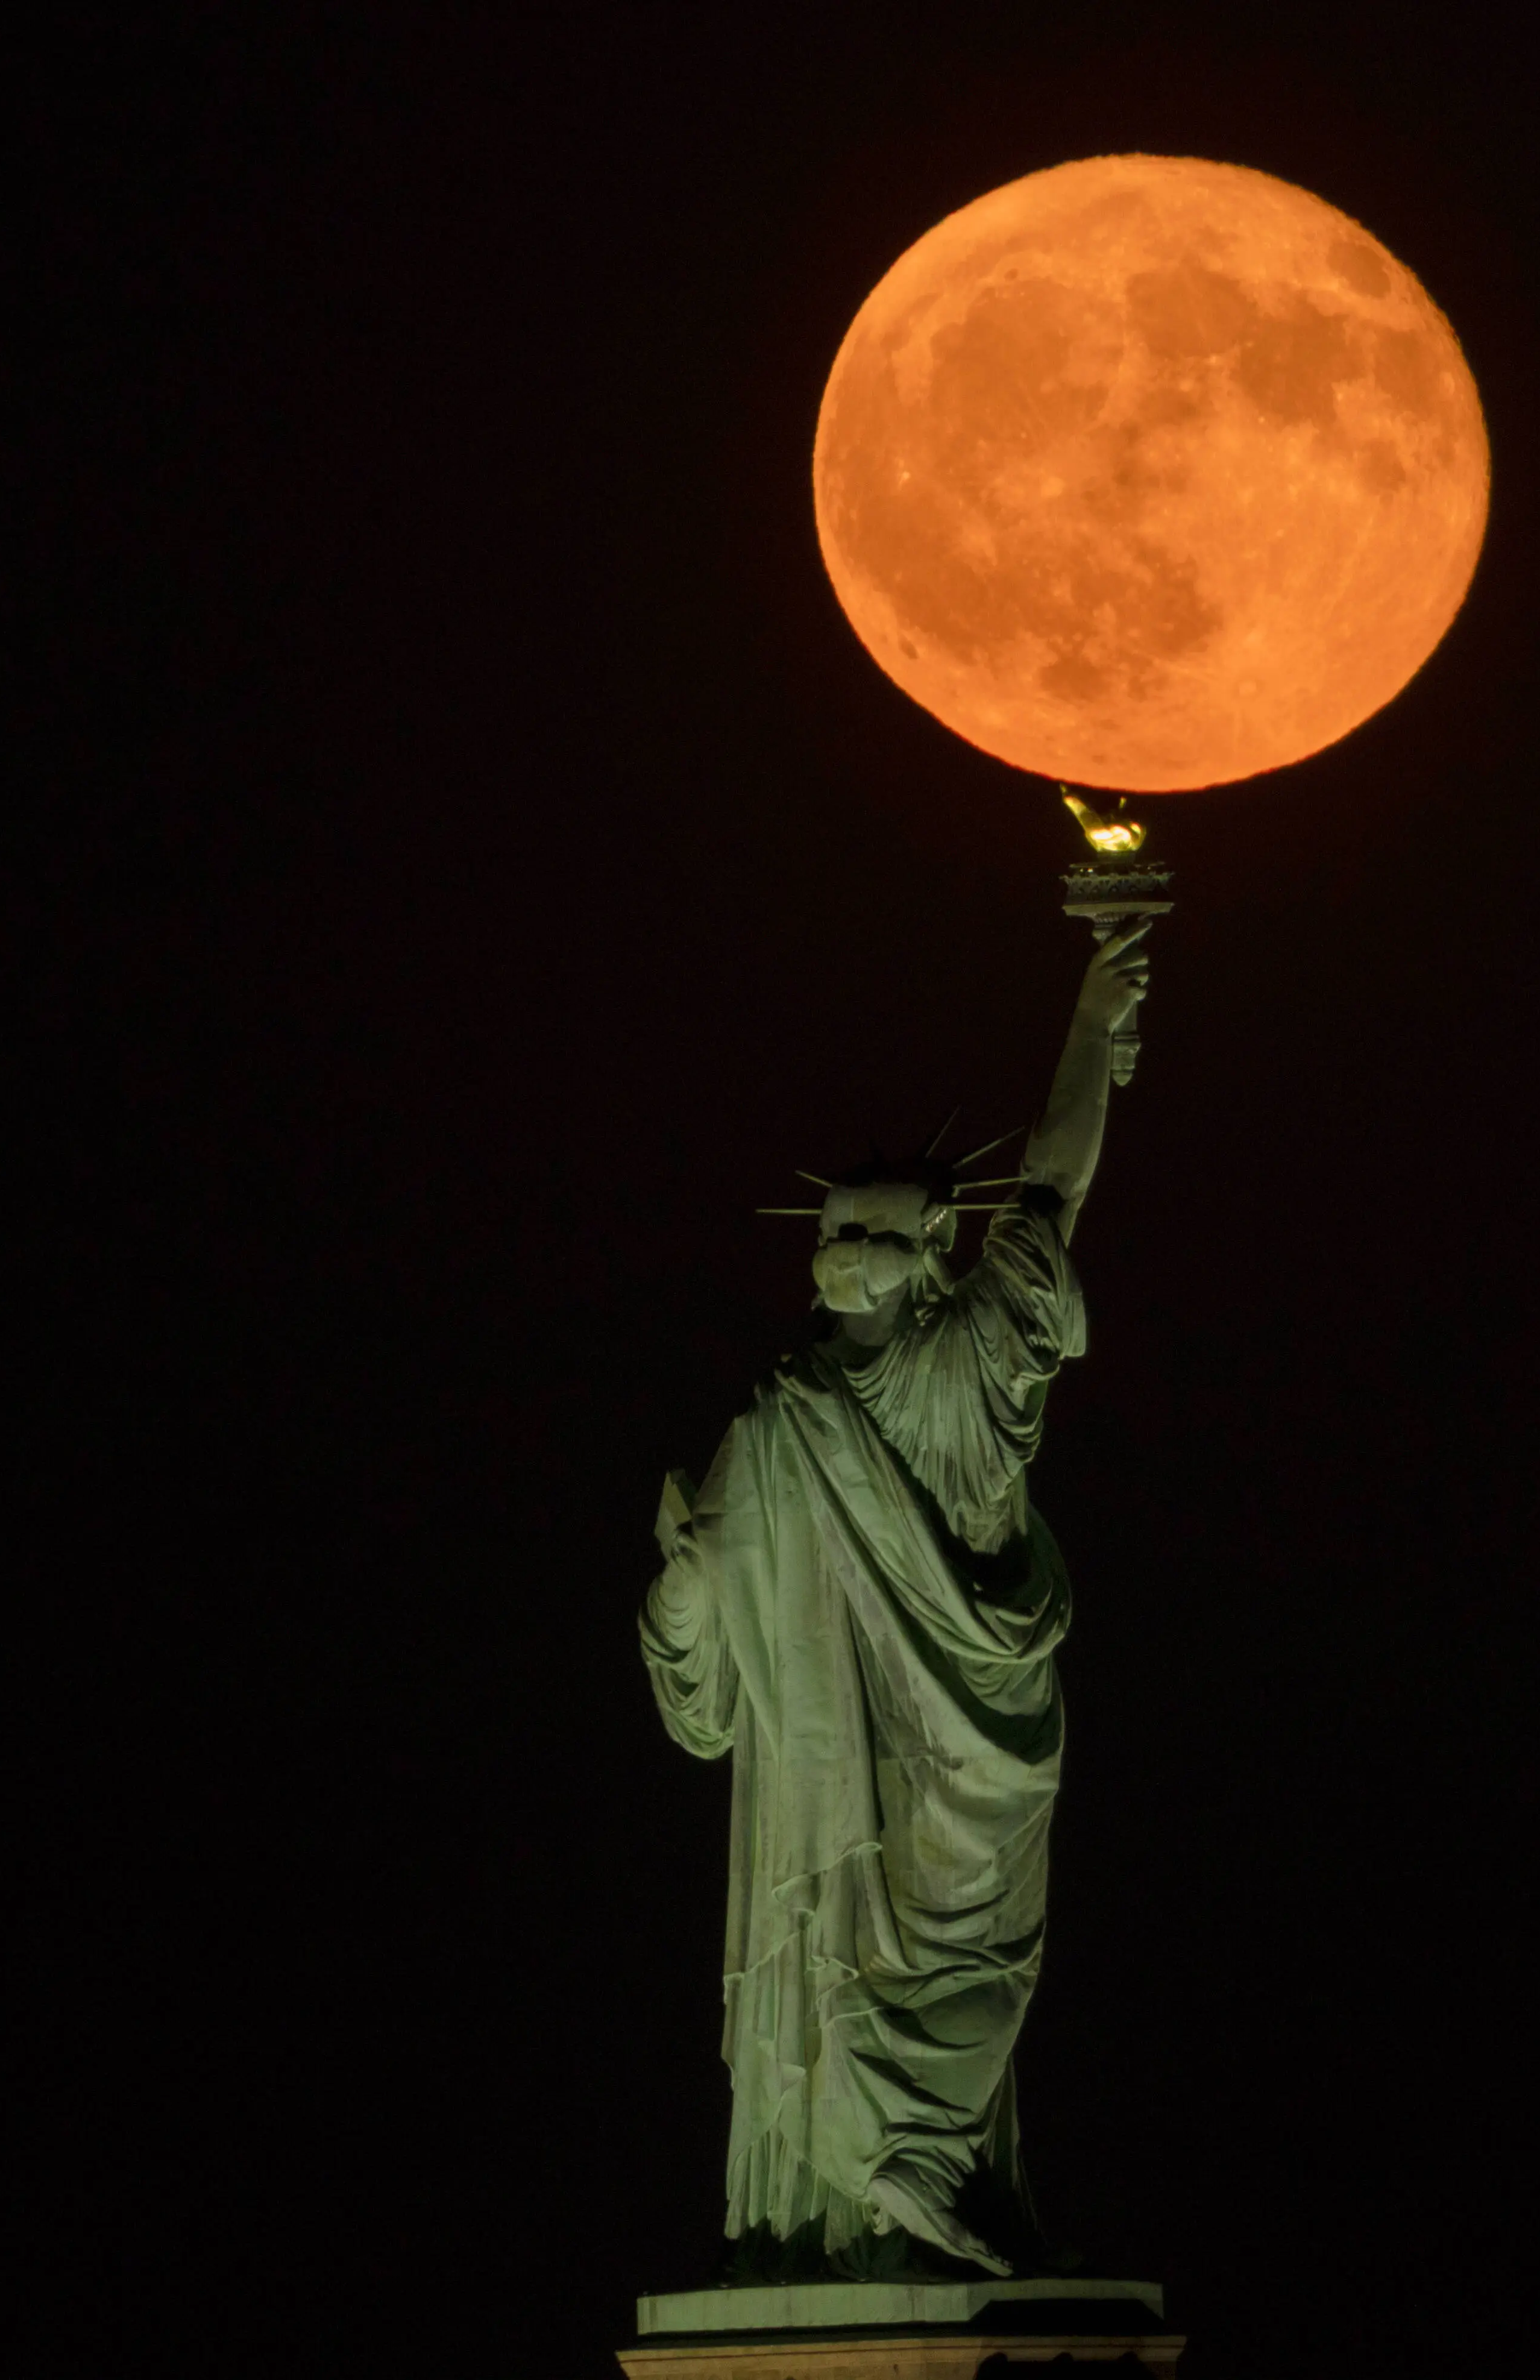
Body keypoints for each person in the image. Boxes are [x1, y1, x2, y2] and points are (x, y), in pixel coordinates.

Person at [638, 922, 1152, 2281]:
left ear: (937, 1251)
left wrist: (1094, 1024)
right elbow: (700, 1714)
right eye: (834, 1228)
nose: (848, 1248)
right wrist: (686, 1586)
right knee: (845, 1952)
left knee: (969, 1969)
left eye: (878, 1231)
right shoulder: (770, 1434)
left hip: (965, 1771)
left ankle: (923, 2169)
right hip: (818, 1807)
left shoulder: (968, 1372)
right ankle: (853, 2200)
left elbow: (1050, 1195)